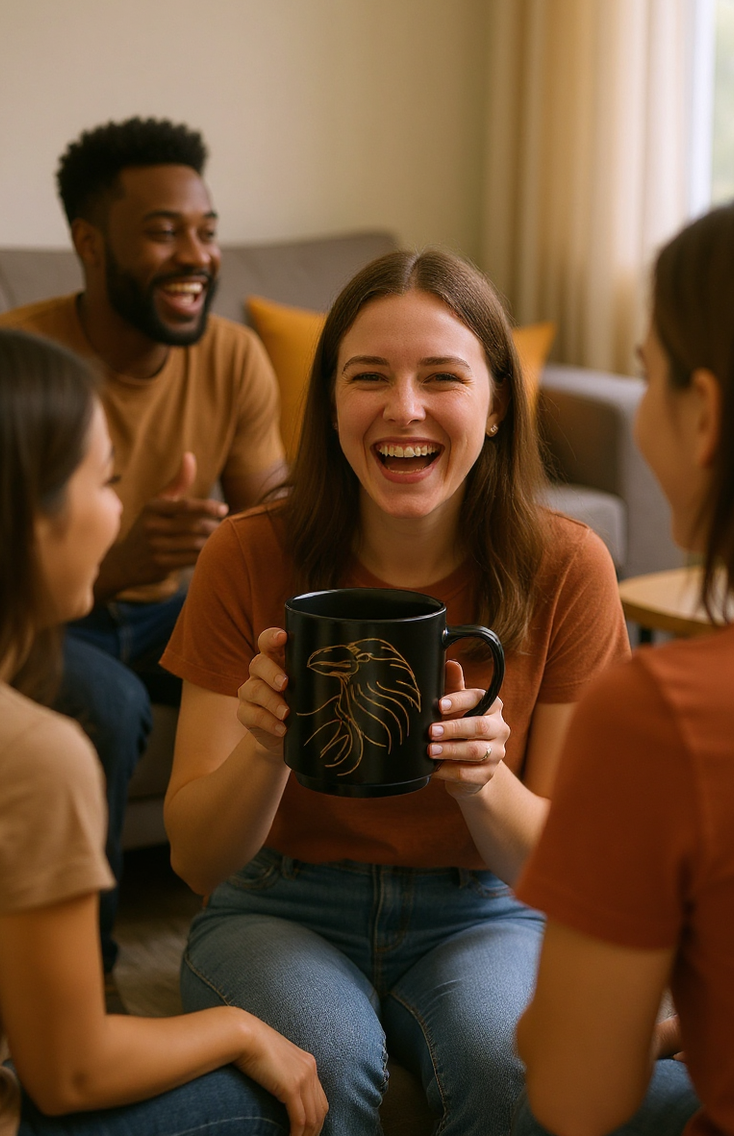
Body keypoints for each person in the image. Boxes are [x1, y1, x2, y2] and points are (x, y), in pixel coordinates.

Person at [159, 247, 631, 1135]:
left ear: (495, 405)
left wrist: (486, 782)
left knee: (515, 1072)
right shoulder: (248, 553)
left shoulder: (569, 567)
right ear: (332, 404)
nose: (402, 408)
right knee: (322, 1065)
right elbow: (194, 861)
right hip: (278, 899)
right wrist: (265, 748)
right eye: (367, 376)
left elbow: (572, 875)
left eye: (442, 377)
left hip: (484, 910)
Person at [0, 326, 326, 1136]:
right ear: (29, 519)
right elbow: (68, 1073)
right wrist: (241, 1029)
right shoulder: (31, 752)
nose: (119, 511)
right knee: (285, 1090)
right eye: (108, 482)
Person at [0, 117, 286, 986]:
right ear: (89, 242)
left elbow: (275, 506)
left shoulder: (233, 357)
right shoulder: (21, 364)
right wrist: (121, 559)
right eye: (163, 232)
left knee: (284, 656)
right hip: (47, 621)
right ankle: (90, 980)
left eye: (206, 230)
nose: (195, 254)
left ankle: (278, 923)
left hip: (172, 611)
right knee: (109, 706)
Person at [512, 189, 734, 1136]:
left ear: (703, 414)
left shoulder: (665, 715)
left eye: (646, 376)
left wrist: (553, 1024)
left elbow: (576, 1094)